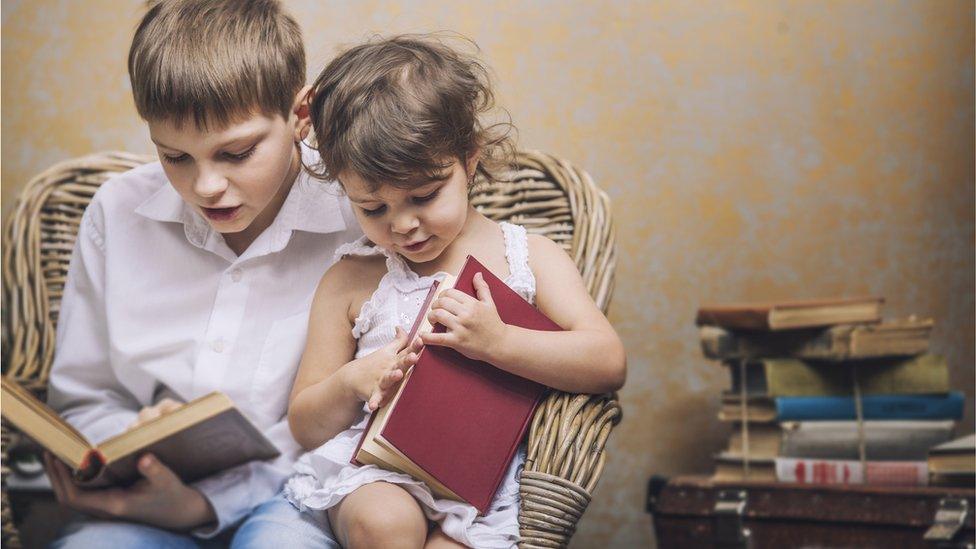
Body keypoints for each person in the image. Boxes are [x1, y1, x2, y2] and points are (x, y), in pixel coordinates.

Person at [285, 35, 627, 549]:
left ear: (469, 159)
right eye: (372, 208)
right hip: (376, 476)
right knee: (386, 523)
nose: (402, 225)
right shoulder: (352, 278)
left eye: (424, 196)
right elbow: (305, 424)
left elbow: (606, 362)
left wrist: (499, 342)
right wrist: (355, 380)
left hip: (478, 487)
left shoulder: (528, 257)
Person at [42, 1, 361, 546]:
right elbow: (85, 397)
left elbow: (366, 415)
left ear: (301, 115)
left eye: (236, 153)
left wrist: (205, 505)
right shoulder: (117, 213)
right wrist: (133, 444)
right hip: (147, 505)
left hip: (303, 497)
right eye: (175, 156)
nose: (205, 186)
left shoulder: (361, 216)